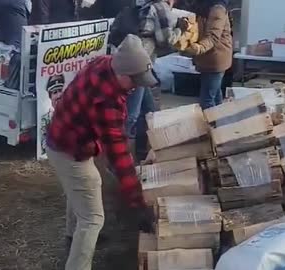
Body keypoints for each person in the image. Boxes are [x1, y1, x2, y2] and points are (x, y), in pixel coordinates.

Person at [46, 34, 158, 270]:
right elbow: (119, 157)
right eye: (136, 81)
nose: (138, 86)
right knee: (93, 217)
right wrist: (138, 204)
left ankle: (70, 235)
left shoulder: (105, 62)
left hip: (67, 136)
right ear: (123, 75)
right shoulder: (107, 102)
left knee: (82, 187)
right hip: (69, 147)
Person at [126, 0, 186, 161]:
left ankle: (142, 154)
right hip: (140, 64)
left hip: (138, 60)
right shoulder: (161, 7)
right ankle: (120, 156)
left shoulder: (146, 5)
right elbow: (166, 39)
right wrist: (181, 29)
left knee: (149, 111)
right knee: (132, 115)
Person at [184, 0, 233, 110]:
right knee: (215, 96)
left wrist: (199, 48)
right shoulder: (203, 7)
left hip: (215, 58)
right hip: (208, 58)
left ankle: (212, 125)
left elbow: (213, 37)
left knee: (206, 100)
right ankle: (221, 123)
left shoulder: (217, 9)